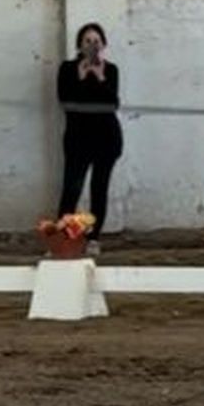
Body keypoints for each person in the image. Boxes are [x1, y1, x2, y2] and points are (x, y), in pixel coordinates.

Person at [56, 21, 124, 247]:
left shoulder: (111, 70)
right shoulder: (67, 69)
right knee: (71, 189)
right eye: (87, 41)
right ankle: (63, 240)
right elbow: (65, 99)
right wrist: (82, 76)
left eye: (96, 41)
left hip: (107, 139)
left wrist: (101, 77)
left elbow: (113, 102)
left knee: (99, 189)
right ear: (79, 45)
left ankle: (93, 238)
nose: (92, 45)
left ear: (103, 45)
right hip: (77, 139)